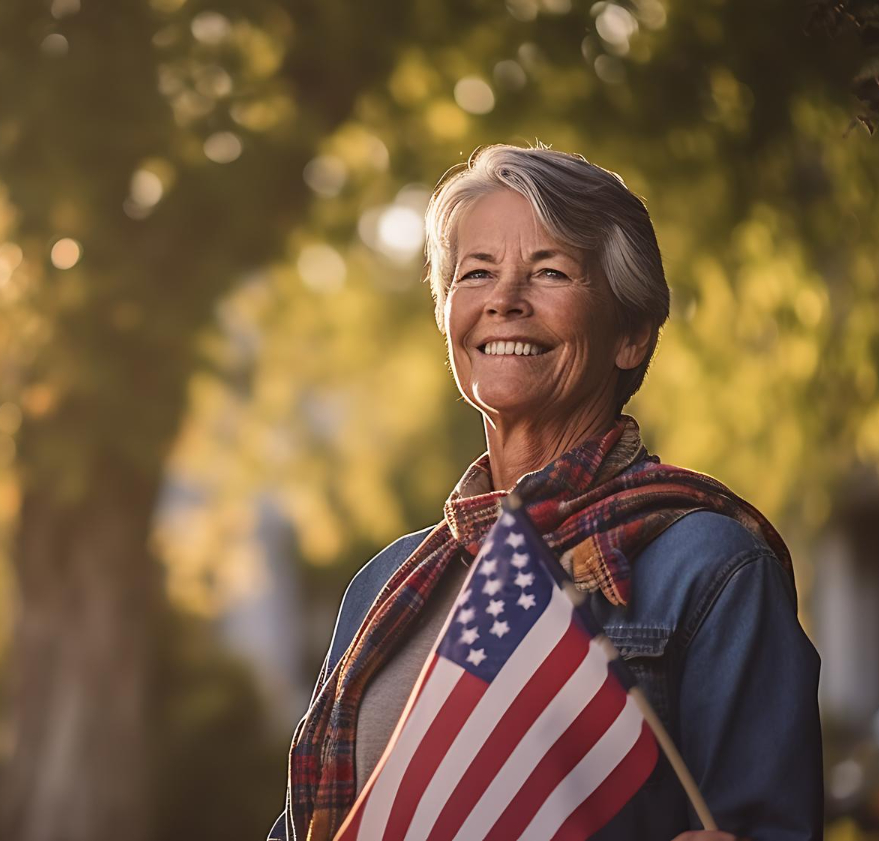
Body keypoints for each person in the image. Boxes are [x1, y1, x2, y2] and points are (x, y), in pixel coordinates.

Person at [266, 145, 822, 841]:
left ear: (630, 333)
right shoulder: (383, 586)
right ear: (449, 320)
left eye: (550, 271)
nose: (503, 299)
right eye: (477, 273)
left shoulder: (712, 569)